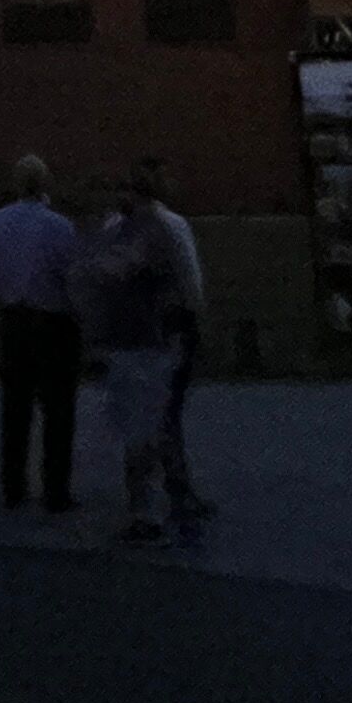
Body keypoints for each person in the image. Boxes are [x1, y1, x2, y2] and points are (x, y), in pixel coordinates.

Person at [80, 171, 193, 543]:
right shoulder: (130, 230)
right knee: (145, 427)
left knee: (144, 429)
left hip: (148, 342)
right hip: (135, 342)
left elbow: (118, 270)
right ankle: (164, 501)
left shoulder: (153, 232)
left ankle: (148, 512)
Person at [0, 156, 84, 516]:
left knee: (15, 407)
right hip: (54, 322)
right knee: (58, 409)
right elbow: (72, 276)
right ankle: (55, 489)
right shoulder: (60, 226)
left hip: (14, 319)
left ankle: (13, 485)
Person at [134, 156, 218, 535]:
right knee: (168, 411)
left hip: (132, 333)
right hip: (169, 327)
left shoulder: (118, 226)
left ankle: (143, 501)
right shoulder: (172, 225)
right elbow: (190, 278)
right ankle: (177, 490)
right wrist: (197, 319)